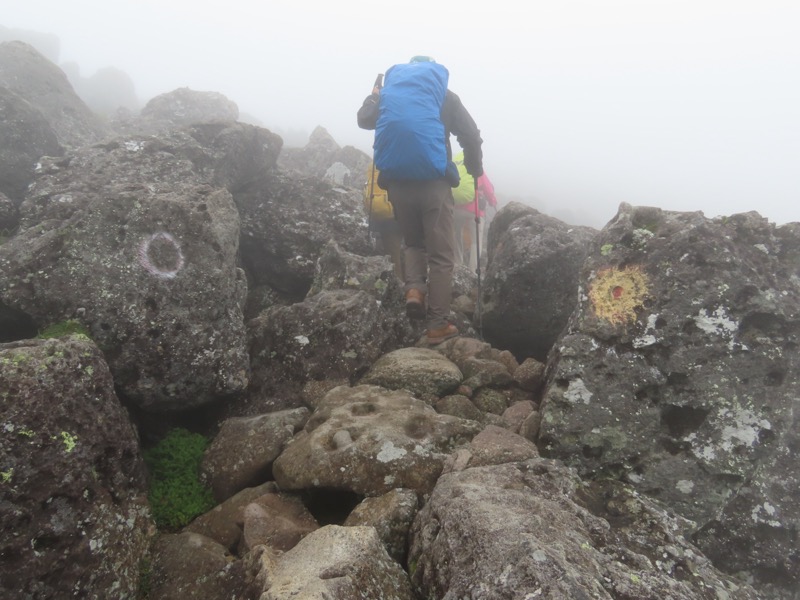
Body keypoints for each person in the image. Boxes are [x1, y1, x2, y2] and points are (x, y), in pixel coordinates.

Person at [357, 56, 484, 345]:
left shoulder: (389, 96)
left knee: (413, 243)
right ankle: (437, 324)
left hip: (397, 184)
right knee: (440, 256)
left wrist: (373, 96)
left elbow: (364, 120)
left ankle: (414, 289)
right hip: (434, 185)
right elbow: (471, 135)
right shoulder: (444, 97)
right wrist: (475, 168)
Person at [452, 150, 497, 272]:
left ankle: (457, 265)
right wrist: (493, 201)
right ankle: (472, 271)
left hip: (455, 208)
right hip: (474, 211)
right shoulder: (476, 166)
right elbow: (487, 188)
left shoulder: (455, 164)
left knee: (456, 236)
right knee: (476, 241)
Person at [363, 160, 404, 280]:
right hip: (396, 215)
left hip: (378, 215)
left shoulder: (374, 163)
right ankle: (399, 285)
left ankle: (387, 282)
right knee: (395, 255)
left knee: (387, 253)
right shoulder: (400, 161)